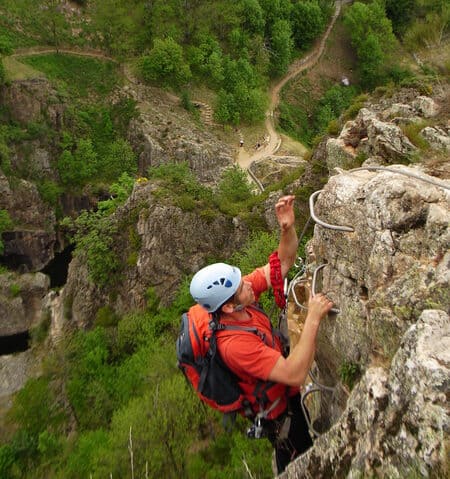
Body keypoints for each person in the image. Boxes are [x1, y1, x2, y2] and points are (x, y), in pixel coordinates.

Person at [189, 195, 333, 474]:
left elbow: (283, 263)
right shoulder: (235, 346)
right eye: (241, 286)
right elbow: (294, 374)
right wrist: (313, 317)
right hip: (284, 420)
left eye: (242, 279)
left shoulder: (238, 298)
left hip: (287, 395)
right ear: (228, 306)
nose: (249, 284)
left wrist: (287, 227)